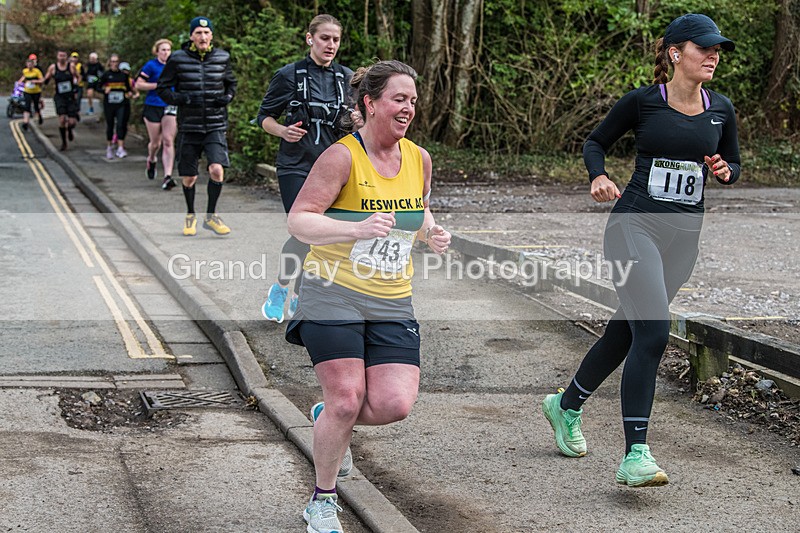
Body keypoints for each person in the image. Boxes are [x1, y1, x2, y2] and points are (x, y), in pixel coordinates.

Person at [541, 13, 740, 488]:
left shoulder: (722, 108)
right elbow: (595, 142)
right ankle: (636, 454)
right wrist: (599, 176)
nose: (713, 56)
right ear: (675, 52)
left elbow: (732, 160)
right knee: (652, 332)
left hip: (683, 239)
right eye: (704, 48)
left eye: (717, 50)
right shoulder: (643, 102)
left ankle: (565, 405)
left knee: (626, 332)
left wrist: (725, 170)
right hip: (634, 229)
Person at [285, 59, 451, 533]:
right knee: (346, 397)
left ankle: (328, 420)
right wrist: (353, 228)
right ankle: (321, 500)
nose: (408, 108)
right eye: (399, 99)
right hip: (331, 292)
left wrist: (432, 233)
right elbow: (299, 220)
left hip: (392, 297)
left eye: (413, 101)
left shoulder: (418, 158)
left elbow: (416, 210)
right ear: (370, 103)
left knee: (394, 404)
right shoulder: (342, 157)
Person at [257, 14, 355, 323]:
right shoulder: (288, 75)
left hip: (331, 169)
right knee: (304, 230)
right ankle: (282, 289)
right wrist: (282, 131)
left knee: (321, 236)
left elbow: (358, 118)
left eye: (335, 39)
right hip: (295, 165)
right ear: (309, 38)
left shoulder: (347, 77)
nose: (331, 45)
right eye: (324, 38)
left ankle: (299, 294)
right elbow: (264, 118)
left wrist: (357, 122)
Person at [157, 16, 237, 237]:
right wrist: (180, 99)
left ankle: (211, 217)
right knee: (189, 177)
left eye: (206, 33)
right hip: (189, 126)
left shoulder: (223, 57)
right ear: (191, 36)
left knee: (217, 170)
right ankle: (190, 215)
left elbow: (231, 82)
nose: (203, 37)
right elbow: (162, 88)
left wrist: (228, 97)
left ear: (211, 35)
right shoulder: (177, 59)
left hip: (215, 124)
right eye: (198, 33)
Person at [136, 38, 178, 190]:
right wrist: (157, 86)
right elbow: (138, 84)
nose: (166, 52)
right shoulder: (151, 66)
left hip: (170, 105)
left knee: (168, 140)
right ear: (157, 52)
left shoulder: (175, 66)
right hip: (153, 105)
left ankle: (167, 177)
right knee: (156, 143)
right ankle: (152, 159)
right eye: (163, 50)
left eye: (168, 50)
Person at [98, 54, 133, 159]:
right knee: (110, 125)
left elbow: (128, 88)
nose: (114, 64)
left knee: (121, 124)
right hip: (109, 104)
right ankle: (109, 147)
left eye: (116, 61)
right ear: (109, 63)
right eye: (112, 61)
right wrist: (104, 90)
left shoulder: (123, 75)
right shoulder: (106, 75)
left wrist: (130, 93)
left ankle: (120, 148)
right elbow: (97, 86)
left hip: (121, 103)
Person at [43, 49, 79, 151]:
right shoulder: (53, 67)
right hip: (59, 97)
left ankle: (70, 129)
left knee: (72, 122)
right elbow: (46, 78)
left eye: (64, 56)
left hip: (70, 96)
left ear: (66, 57)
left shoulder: (71, 67)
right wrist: (43, 82)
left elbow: (78, 77)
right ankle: (64, 143)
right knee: (62, 119)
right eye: (60, 55)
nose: (62, 57)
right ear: (57, 57)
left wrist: (76, 87)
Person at [18, 54, 44, 130]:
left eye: (30, 64)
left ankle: (39, 116)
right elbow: (23, 77)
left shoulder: (37, 71)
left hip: (36, 91)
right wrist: (19, 82)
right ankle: (26, 122)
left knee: (36, 106)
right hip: (27, 91)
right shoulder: (25, 71)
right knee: (27, 106)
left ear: (33, 65)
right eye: (28, 64)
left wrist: (35, 81)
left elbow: (42, 80)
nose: (29, 65)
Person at [69, 52, 83, 120]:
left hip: (77, 85)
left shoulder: (79, 66)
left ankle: (77, 111)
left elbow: (81, 76)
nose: (74, 59)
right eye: (73, 57)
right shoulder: (67, 66)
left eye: (75, 58)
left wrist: (78, 83)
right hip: (70, 86)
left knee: (77, 99)